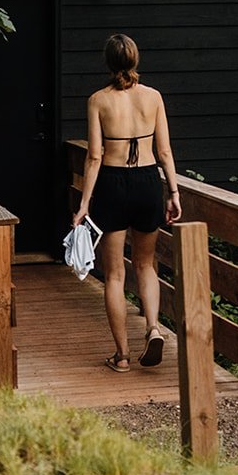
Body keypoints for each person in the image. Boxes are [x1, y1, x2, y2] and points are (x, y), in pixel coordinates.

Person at [72, 33, 181, 371]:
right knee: (146, 265)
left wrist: (84, 204)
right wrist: (173, 192)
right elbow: (163, 151)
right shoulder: (154, 97)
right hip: (148, 182)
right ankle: (153, 328)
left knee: (116, 274)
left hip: (112, 184)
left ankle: (121, 356)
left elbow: (93, 156)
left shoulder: (98, 100)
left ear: (108, 62)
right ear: (135, 59)